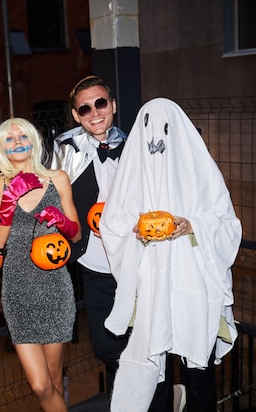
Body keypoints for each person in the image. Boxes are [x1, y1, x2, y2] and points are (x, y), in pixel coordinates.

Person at [101, 97, 241, 412]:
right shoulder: (131, 172)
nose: (156, 141)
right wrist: (134, 232)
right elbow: (113, 224)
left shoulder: (200, 170)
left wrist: (194, 225)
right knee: (156, 370)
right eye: (148, 129)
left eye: (164, 129)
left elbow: (227, 223)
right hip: (150, 287)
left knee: (197, 366)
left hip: (195, 284)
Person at [0, 117, 81, 412]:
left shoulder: (58, 178)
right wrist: (9, 200)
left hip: (55, 288)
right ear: (1, 147)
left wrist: (61, 221)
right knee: (40, 385)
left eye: (22, 136)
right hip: (17, 290)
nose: (17, 141)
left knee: (54, 379)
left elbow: (77, 233)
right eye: (9, 138)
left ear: (34, 141)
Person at [48, 75, 129, 393]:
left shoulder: (135, 143)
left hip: (136, 259)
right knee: (106, 347)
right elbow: (51, 195)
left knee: (143, 340)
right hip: (94, 263)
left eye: (100, 103)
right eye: (85, 108)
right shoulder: (66, 148)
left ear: (113, 105)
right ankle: (149, 385)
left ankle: (146, 396)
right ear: (75, 114)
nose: (94, 112)